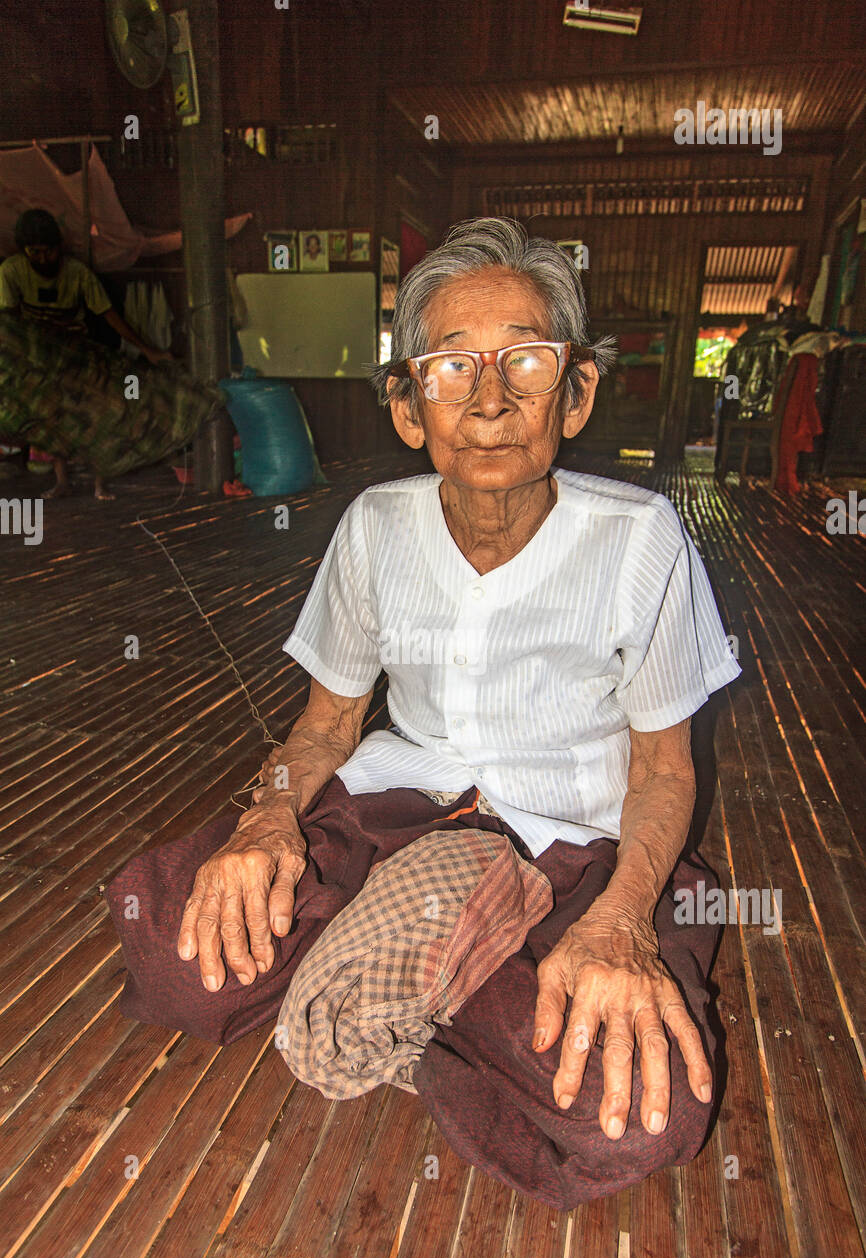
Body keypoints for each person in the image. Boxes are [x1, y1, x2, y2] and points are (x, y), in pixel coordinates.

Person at [110, 217, 741, 1206]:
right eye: (451, 369)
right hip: (399, 815)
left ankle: (423, 978)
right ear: (410, 407)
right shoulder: (374, 527)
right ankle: (440, 959)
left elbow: (662, 771)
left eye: (524, 362)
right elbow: (326, 724)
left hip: (575, 847)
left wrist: (619, 920)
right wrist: (265, 820)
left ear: (572, 392)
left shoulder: (640, 540)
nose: (489, 400)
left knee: (636, 1117)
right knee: (171, 949)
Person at [0, 208, 171, 499]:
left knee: (95, 418)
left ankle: (99, 485)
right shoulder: (11, 272)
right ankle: (62, 482)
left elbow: (109, 315)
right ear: (24, 250)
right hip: (40, 356)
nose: (42, 259)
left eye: (48, 252)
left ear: (59, 248)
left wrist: (148, 350)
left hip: (78, 351)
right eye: (35, 252)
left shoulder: (77, 273)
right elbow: (9, 323)